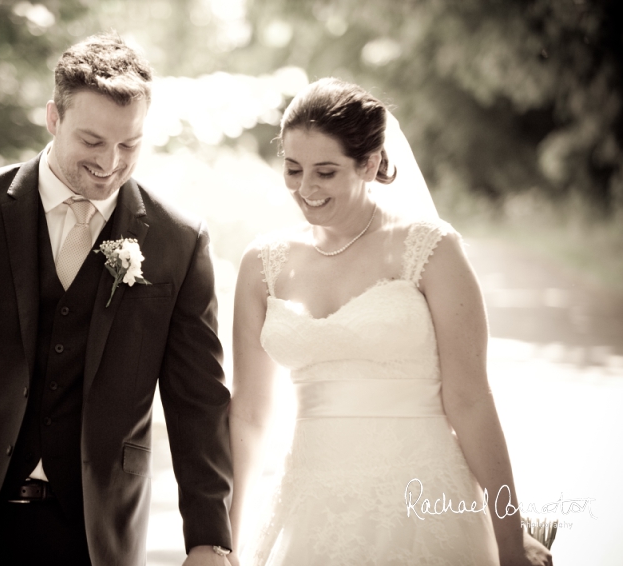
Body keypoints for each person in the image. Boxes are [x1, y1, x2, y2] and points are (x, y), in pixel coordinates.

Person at [0, 32, 233, 566]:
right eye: (93, 141)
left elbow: (200, 401)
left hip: (96, 531)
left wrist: (208, 538)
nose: (111, 162)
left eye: (130, 144)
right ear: (53, 117)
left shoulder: (179, 239)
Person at [228, 78, 553, 565]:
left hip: (423, 501)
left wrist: (509, 540)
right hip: (310, 505)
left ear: (371, 163)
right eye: (293, 169)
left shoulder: (430, 249)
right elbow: (249, 416)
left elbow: (470, 400)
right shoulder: (263, 263)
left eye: (326, 172)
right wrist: (221, 542)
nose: (306, 189)